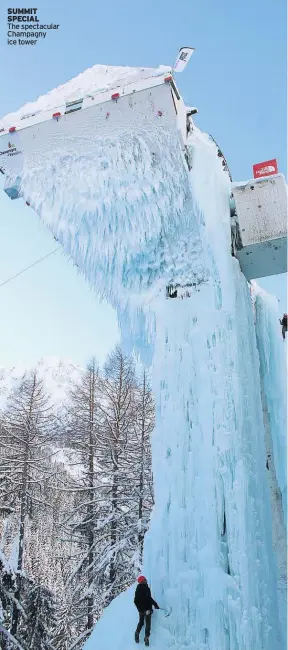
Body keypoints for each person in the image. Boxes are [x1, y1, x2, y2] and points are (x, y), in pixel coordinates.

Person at [134, 576, 159, 646]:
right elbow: (149, 598)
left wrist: (139, 609)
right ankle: (146, 638)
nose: (146, 580)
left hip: (141, 610)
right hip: (147, 609)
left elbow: (135, 601)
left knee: (141, 622)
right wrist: (155, 604)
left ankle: (137, 632)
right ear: (143, 581)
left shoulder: (137, 589)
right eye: (145, 579)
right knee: (148, 623)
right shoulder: (145, 588)